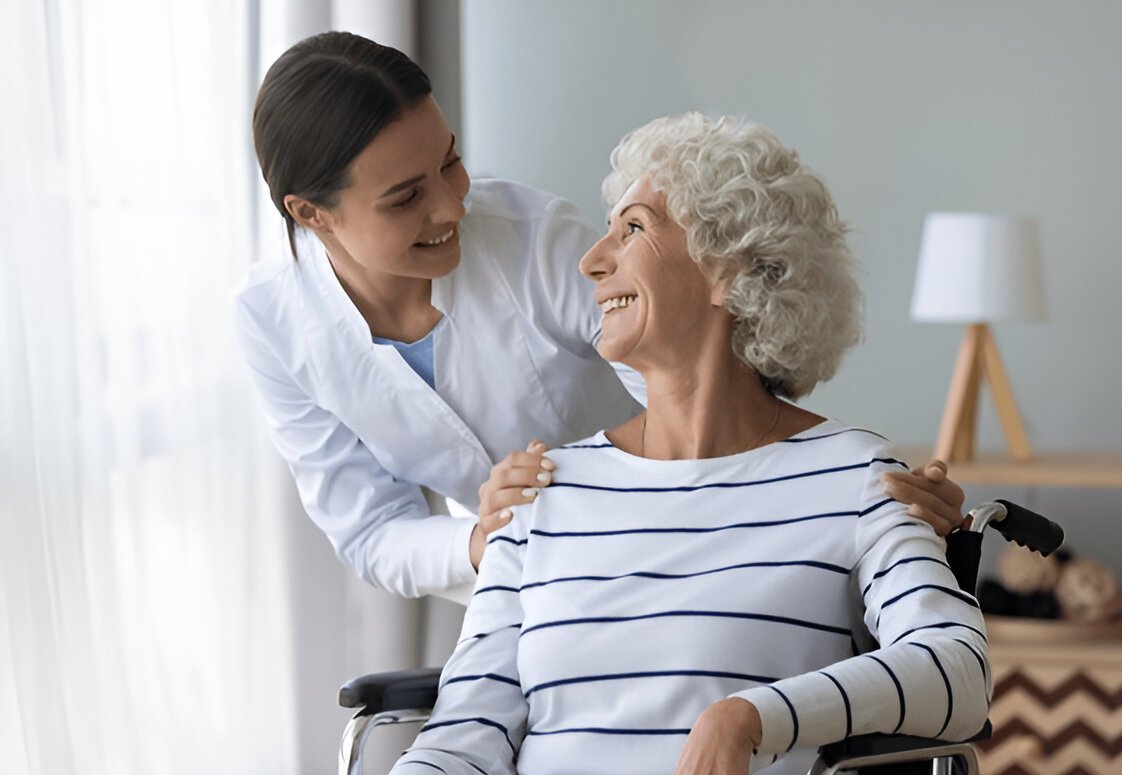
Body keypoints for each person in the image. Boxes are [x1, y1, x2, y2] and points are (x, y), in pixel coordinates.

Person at [364, 113, 991, 775]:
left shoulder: (855, 480)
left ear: (730, 266)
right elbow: (462, 745)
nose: (592, 260)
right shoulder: (544, 495)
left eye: (632, 228)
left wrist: (746, 720)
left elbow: (955, 670)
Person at [235, 31, 966, 604]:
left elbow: (693, 385)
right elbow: (370, 533)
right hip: (528, 590)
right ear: (311, 214)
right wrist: (481, 541)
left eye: (451, 164)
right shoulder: (273, 323)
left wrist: (851, 492)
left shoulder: (527, 235)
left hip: (691, 536)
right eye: (405, 198)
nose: (453, 207)